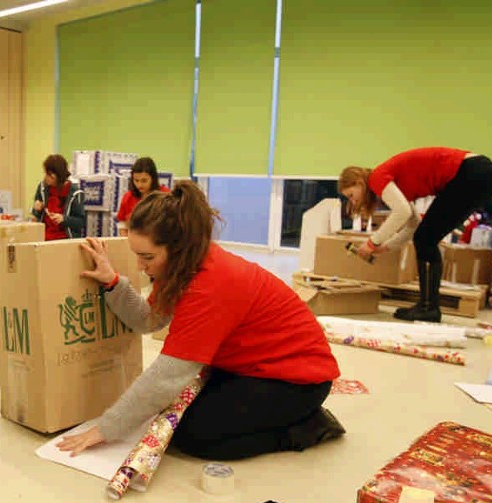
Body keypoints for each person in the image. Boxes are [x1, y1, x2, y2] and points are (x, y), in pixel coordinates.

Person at [58, 181, 345, 460]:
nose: (139, 266)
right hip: (251, 364)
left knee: (193, 436)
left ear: (178, 248)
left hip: (297, 380)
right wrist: (112, 282)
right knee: (173, 412)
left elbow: (167, 375)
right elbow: (148, 320)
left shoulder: (212, 283)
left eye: (147, 257)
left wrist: (106, 428)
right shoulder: (182, 266)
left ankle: (308, 428)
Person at [339, 147, 492, 323]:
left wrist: (371, 243)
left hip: (470, 172)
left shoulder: (377, 178)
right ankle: (428, 306)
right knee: (426, 236)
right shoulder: (395, 184)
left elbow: (401, 212)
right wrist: (385, 247)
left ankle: (428, 308)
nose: (353, 201)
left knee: (426, 238)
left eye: (351, 195)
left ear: (359, 182)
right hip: (481, 173)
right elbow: (412, 223)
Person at [32, 154, 85, 240]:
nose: (46, 178)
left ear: (59, 176)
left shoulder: (75, 193)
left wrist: (64, 219)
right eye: (45, 173)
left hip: (64, 240)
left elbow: (81, 222)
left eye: (50, 176)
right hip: (43, 238)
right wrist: (37, 209)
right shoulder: (42, 188)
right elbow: (36, 216)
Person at [115, 156, 170, 236]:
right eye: (136, 180)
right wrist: (126, 241)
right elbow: (122, 224)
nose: (139, 185)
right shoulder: (128, 197)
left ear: (153, 178)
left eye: (144, 181)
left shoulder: (165, 195)